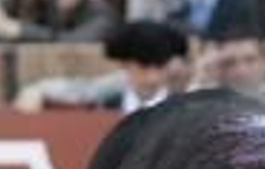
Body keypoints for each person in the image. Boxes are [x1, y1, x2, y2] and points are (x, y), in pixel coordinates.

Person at [13, 18, 188, 112]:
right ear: (125, 65)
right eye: (143, 67)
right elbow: (79, 90)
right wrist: (36, 90)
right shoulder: (108, 97)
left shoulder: (183, 105)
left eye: (159, 67)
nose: (152, 77)